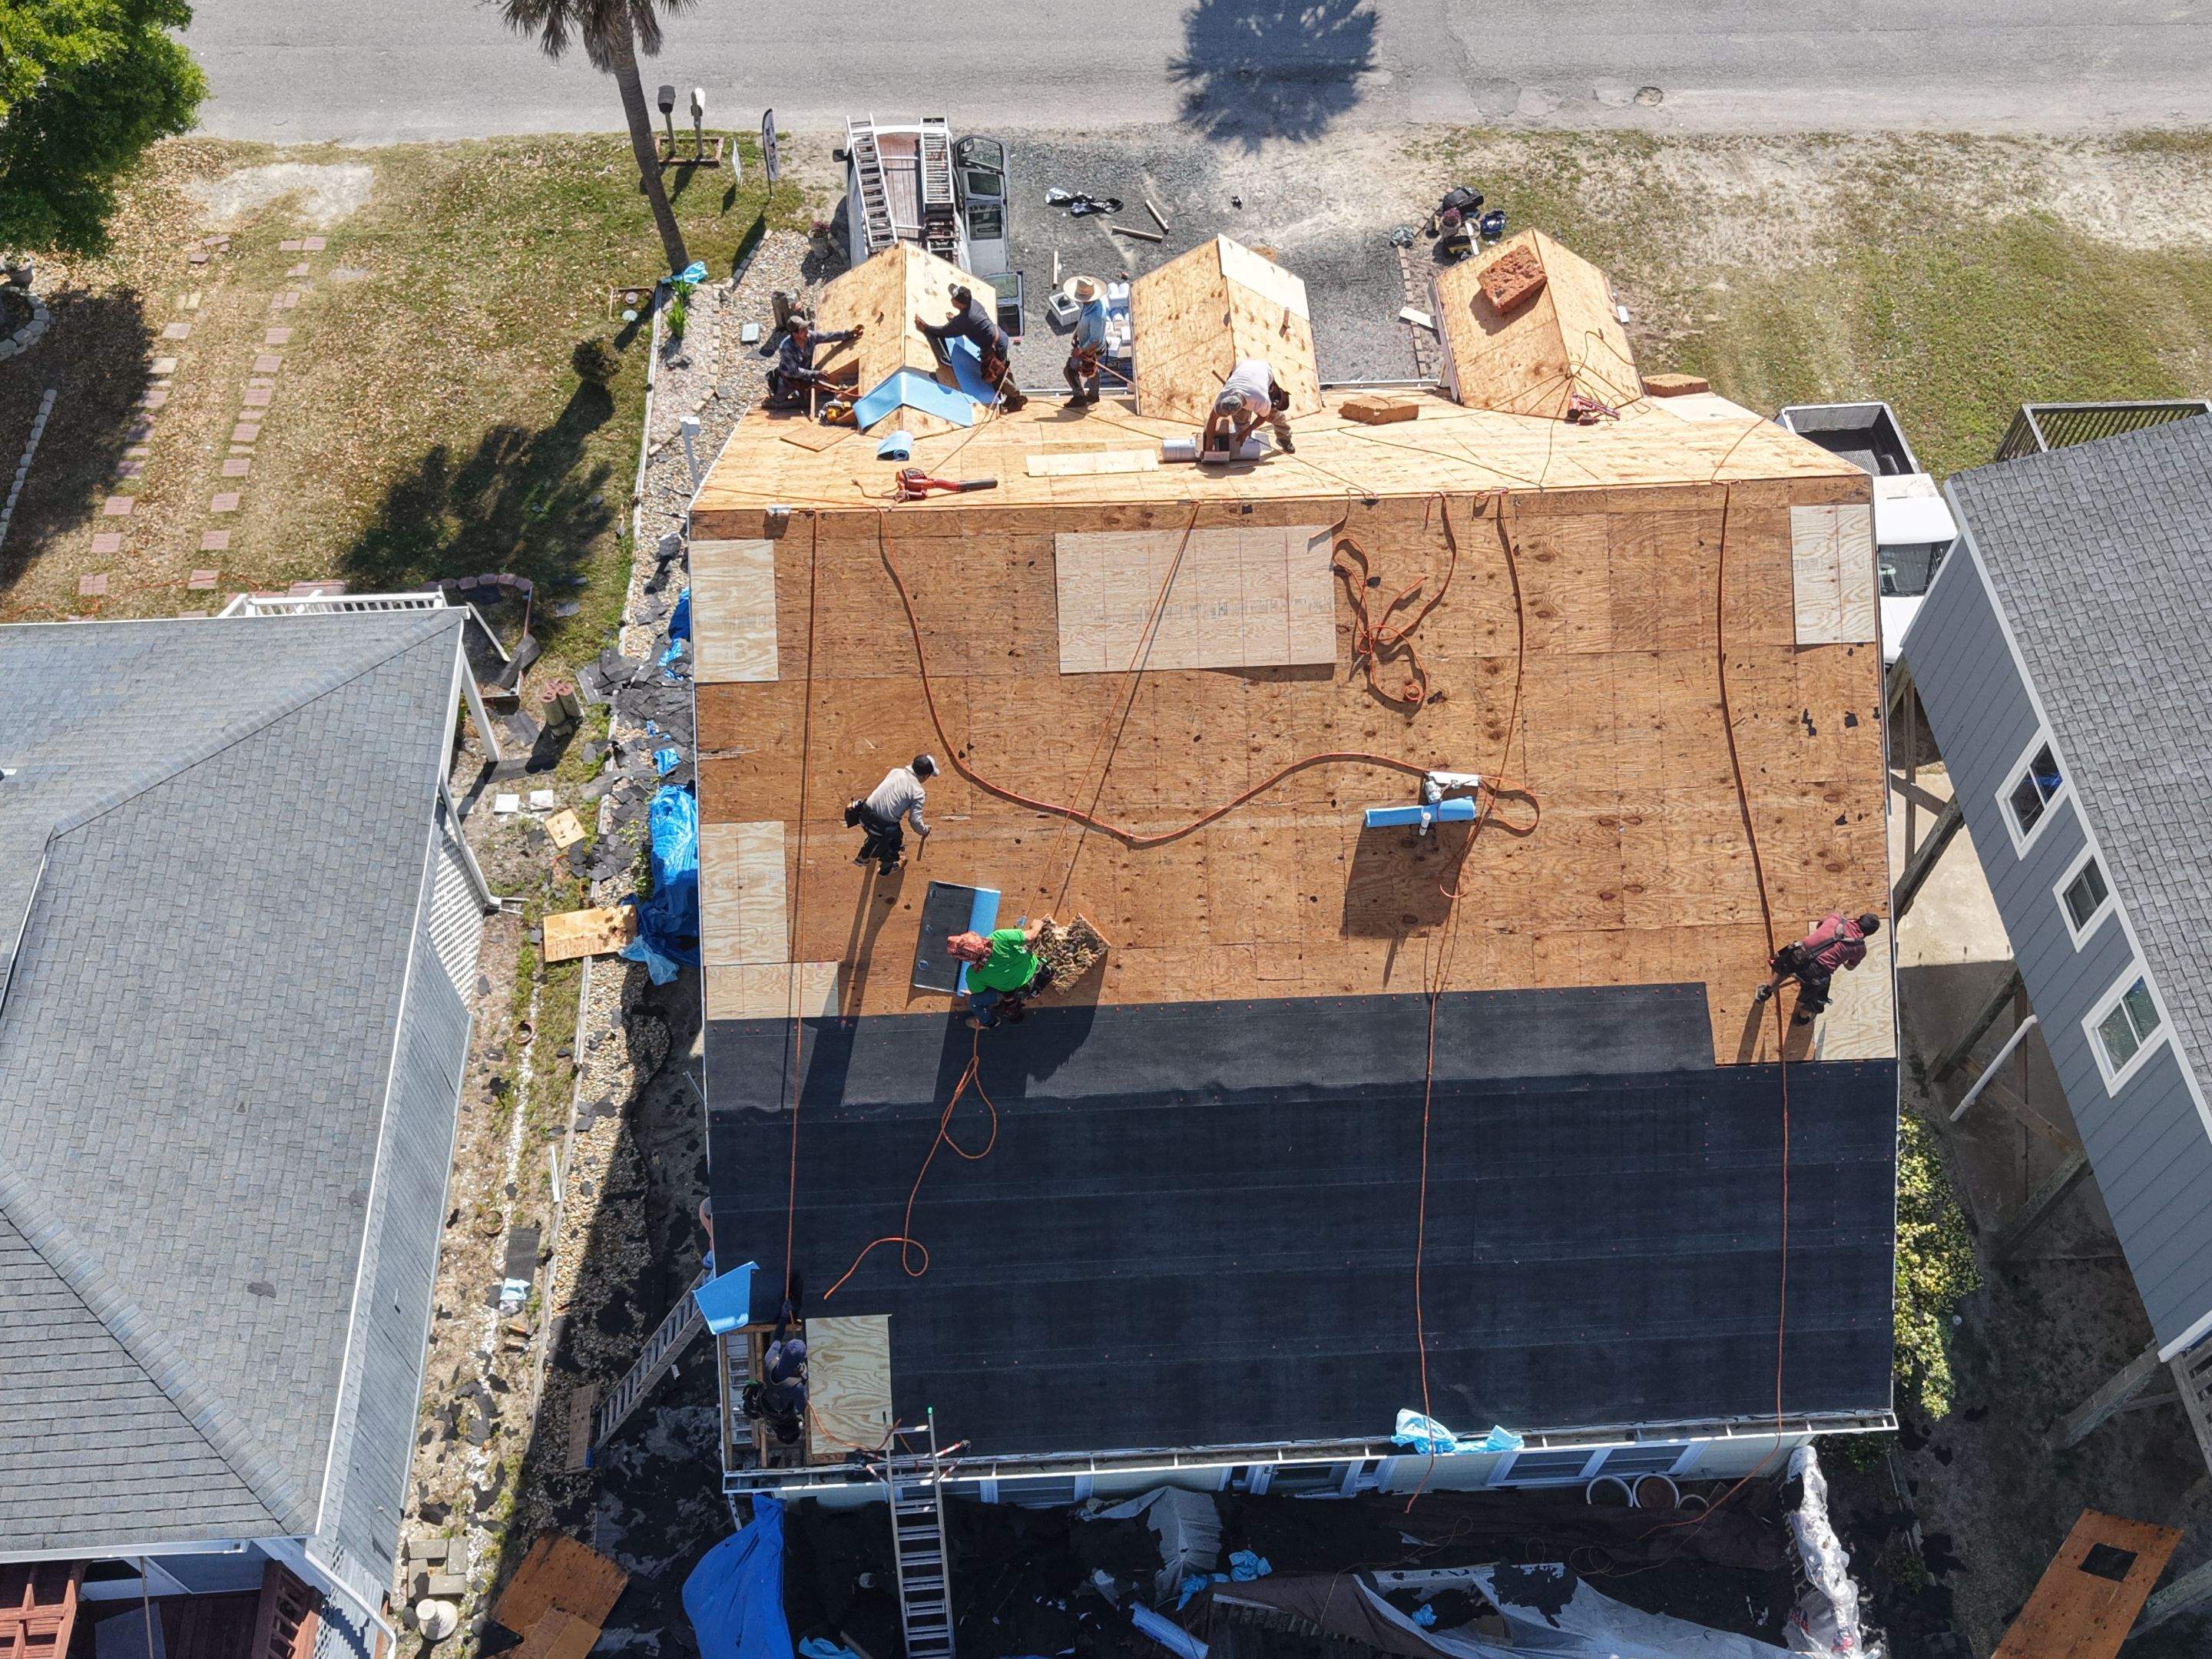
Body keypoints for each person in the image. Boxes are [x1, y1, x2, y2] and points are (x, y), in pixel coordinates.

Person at [1757, 911, 1883, 1025]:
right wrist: (1842, 960)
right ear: (1868, 934)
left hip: (1799, 955)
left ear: (1857, 919)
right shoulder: (1860, 948)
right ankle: (1802, 1018)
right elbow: (1850, 967)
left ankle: (1765, 991)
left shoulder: (1836, 918)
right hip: (1815, 973)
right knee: (1819, 998)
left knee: (1787, 965)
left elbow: (1819, 926)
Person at [917, 283, 1028, 410]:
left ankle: (1017, 397)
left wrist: (926, 327)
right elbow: (969, 320)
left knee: (994, 377)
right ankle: (1012, 396)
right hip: (1000, 337)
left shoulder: (965, 321)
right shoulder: (973, 304)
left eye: (953, 299)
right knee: (1002, 367)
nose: (951, 299)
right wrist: (957, 320)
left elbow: (944, 332)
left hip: (994, 347)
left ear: (958, 304)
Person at [949, 916, 1055, 1030]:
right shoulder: (999, 937)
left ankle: (990, 1022)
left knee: (975, 1002)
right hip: (1037, 972)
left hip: (1016, 990)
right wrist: (1036, 927)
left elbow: (978, 991)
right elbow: (1030, 936)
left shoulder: (973, 975)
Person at [846, 754, 935, 875]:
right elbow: (914, 820)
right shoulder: (918, 792)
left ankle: (863, 857)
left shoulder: (896, 772)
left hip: (862, 815)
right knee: (893, 843)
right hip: (881, 827)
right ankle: (886, 869)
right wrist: (924, 831)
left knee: (876, 834)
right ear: (926, 776)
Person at [767, 310, 863, 409]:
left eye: (806, 328)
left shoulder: (810, 337)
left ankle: (801, 399)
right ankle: (774, 401)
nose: (806, 331)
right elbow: (795, 372)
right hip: (789, 380)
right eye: (802, 330)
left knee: (807, 401)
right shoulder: (785, 348)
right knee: (778, 403)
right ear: (795, 335)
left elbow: (828, 336)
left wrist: (850, 334)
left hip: (805, 376)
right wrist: (816, 374)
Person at [1203, 358, 1295, 458]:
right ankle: (1246, 445)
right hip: (1241, 367)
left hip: (1262, 370)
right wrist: (1208, 448)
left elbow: (1263, 417)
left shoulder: (1261, 398)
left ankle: (1284, 439)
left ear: (1241, 406)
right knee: (1241, 422)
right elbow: (1212, 420)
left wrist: (1247, 431)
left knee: (1275, 416)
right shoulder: (1223, 395)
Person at [1062, 275, 1108, 405]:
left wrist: (1080, 350)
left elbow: (1095, 340)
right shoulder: (1088, 304)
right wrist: (1077, 332)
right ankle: (1094, 395)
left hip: (1092, 349)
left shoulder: (1097, 315)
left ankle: (1079, 397)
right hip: (1088, 345)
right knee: (1092, 370)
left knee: (1070, 370)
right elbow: (1082, 318)